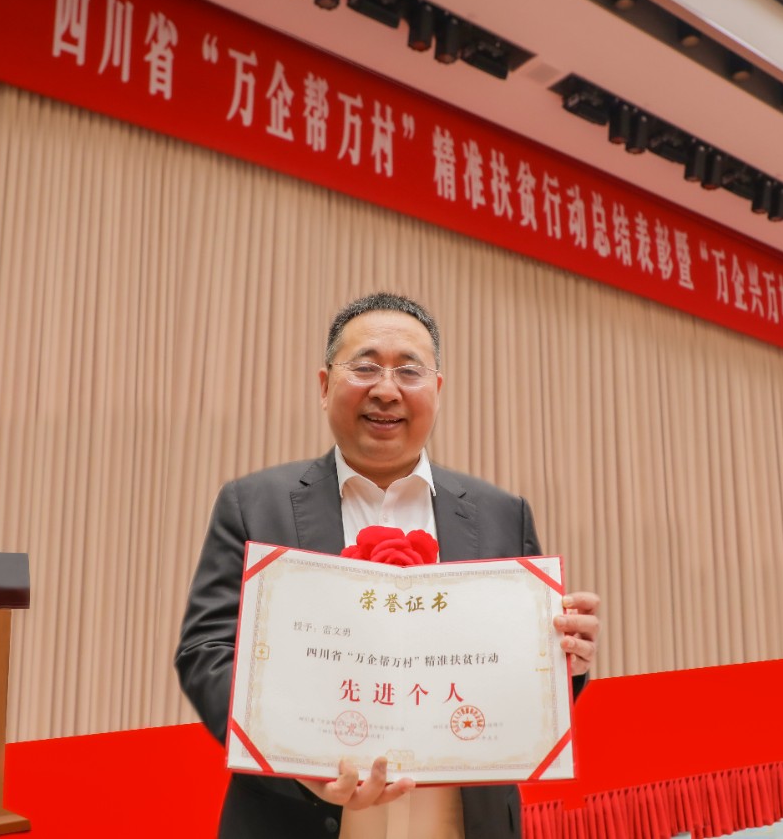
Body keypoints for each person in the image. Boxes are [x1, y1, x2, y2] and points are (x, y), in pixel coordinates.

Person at [175, 293, 600, 839]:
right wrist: (295, 761)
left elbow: (521, 677)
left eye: (408, 371)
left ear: (437, 390)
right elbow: (207, 650)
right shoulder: (255, 504)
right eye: (366, 367)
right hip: (298, 817)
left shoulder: (501, 513)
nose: (385, 389)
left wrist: (567, 662)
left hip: (464, 823)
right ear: (324, 385)